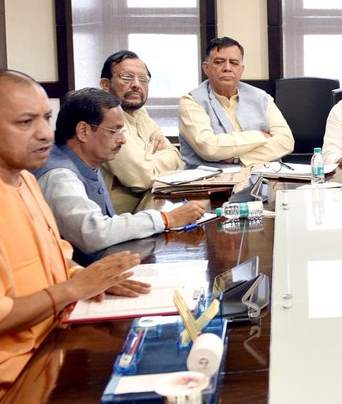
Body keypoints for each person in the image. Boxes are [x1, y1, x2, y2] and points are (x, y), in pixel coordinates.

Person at [0, 70, 147, 403]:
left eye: (46, 118)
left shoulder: (24, 179)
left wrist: (92, 278)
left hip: (57, 335)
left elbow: (56, 257)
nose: (45, 134)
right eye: (25, 122)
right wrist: (73, 289)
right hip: (12, 377)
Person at [35, 87, 205, 263]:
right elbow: (93, 233)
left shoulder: (87, 158)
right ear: (83, 131)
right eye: (113, 131)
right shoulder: (60, 176)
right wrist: (167, 219)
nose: (122, 140)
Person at [179, 36, 294, 168]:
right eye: (219, 62)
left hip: (261, 175)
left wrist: (238, 158)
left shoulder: (261, 97)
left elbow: (286, 141)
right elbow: (209, 148)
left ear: (241, 69)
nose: (227, 68)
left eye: (234, 63)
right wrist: (259, 136)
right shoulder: (191, 101)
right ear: (206, 68)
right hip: (211, 178)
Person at [99, 50, 184, 214]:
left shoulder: (140, 113)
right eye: (127, 77)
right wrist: (156, 155)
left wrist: (149, 160)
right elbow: (142, 178)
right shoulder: (104, 118)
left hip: (146, 210)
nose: (136, 84)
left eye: (143, 79)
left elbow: (176, 157)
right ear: (105, 84)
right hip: (116, 220)